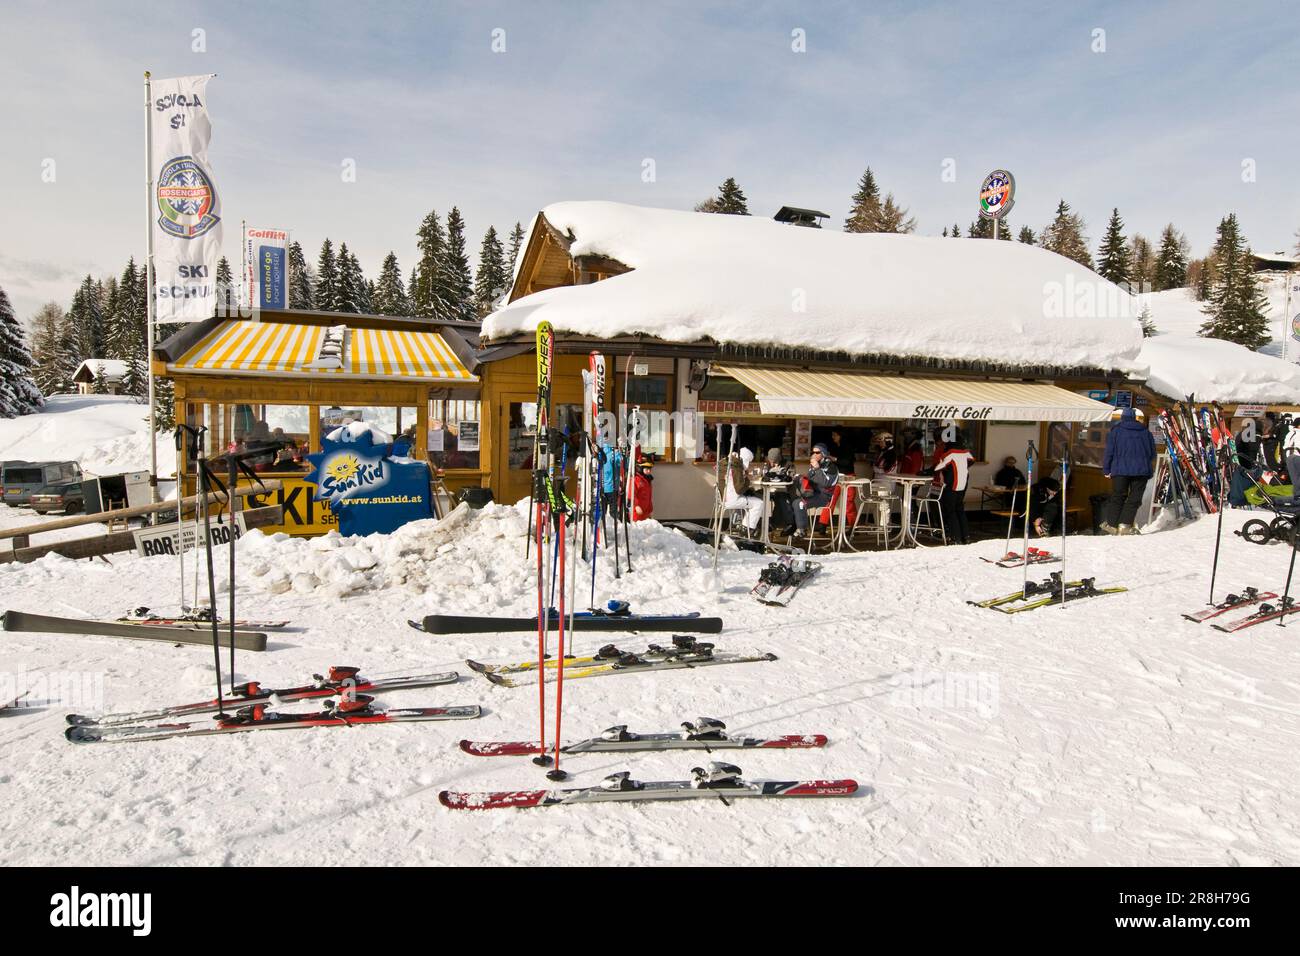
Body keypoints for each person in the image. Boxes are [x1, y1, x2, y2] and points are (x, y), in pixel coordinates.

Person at [1101, 407, 1156, 534]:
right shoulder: (1145, 432)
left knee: (1118, 496)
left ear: (1123, 418)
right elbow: (1152, 454)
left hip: (1120, 470)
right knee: (1134, 498)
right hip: (1141, 470)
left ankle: (1111, 524)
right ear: (1134, 418)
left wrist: (1106, 469)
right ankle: (1125, 525)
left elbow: (1109, 452)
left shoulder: (1115, 431)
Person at [933, 430, 974, 545]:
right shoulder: (965, 452)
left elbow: (937, 468)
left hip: (951, 484)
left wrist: (946, 471)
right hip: (963, 483)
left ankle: (956, 537)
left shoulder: (948, 453)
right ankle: (966, 536)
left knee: (950, 511)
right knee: (960, 509)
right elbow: (972, 461)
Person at [792, 444, 839, 537]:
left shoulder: (832, 467)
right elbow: (810, 479)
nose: (814, 454)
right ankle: (794, 527)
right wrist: (800, 478)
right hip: (813, 493)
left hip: (824, 497)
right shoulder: (814, 465)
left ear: (823, 454)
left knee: (799, 503)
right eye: (813, 452)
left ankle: (802, 529)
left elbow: (826, 483)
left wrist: (817, 469)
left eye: (817, 452)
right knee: (793, 501)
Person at [723, 447, 766, 534]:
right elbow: (739, 489)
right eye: (749, 462)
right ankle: (746, 529)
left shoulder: (730, 463)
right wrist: (747, 480)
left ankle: (739, 525)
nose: (749, 465)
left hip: (724, 498)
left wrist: (745, 475)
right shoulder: (736, 466)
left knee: (751, 497)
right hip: (732, 499)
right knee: (759, 503)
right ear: (745, 460)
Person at [762, 447, 796, 533]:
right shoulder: (768, 465)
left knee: (781, 498)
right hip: (772, 490)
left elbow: (791, 478)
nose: (772, 463)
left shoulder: (788, 464)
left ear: (779, 458)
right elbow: (764, 476)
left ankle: (774, 524)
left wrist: (782, 475)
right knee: (763, 496)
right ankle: (789, 523)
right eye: (771, 461)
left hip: (785, 490)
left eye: (775, 461)